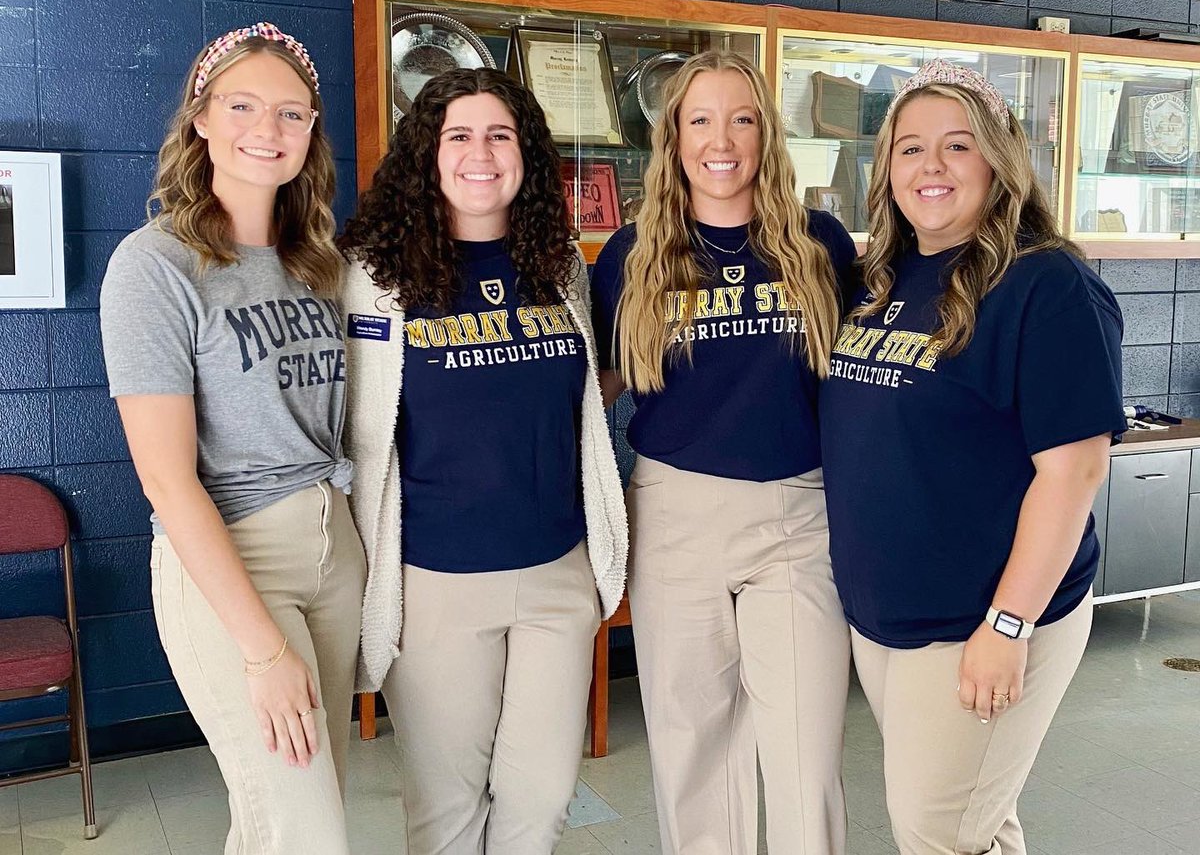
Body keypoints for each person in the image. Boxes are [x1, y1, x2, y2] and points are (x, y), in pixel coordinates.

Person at [819, 60, 1125, 855]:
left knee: (937, 828)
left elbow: (1075, 472)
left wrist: (1008, 624)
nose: (931, 167)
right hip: (888, 616)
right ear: (886, 168)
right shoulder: (881, 278)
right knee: (972, 818)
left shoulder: (1046, 285)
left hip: (979, 618)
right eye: (910, 148)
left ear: (998, 158)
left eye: (956, 145)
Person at [337, 67, 628, 855]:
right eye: (457, 135)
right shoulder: (370, 276)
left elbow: (583, 394)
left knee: (540, 801)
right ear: (426, 154)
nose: (480, 153)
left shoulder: (558, 267)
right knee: (446, 815)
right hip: (434, 586)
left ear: (526, 153)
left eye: (500, 134)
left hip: (556, 577)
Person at [100, 23, 364, 854]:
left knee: (290, 818)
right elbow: (167, 480)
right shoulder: (156, 265)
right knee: (307, 829)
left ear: (311, 133)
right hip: (235, 558)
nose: (268, 129)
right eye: (243, 105)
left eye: (292, 114)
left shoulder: (321, 262)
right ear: (202, 119)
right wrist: (260, 648)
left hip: (335, 547)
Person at [591, 50, 856, 855]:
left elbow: (865, 381)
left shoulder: (820, 244)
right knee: (693, 748)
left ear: (765, 134)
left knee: (805, 751)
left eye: (742, 118)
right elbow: (592, 392)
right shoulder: (629, 255)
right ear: (671, 138)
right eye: (700, 119)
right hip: (676, 513)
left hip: (797, 516)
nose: (722, 139)